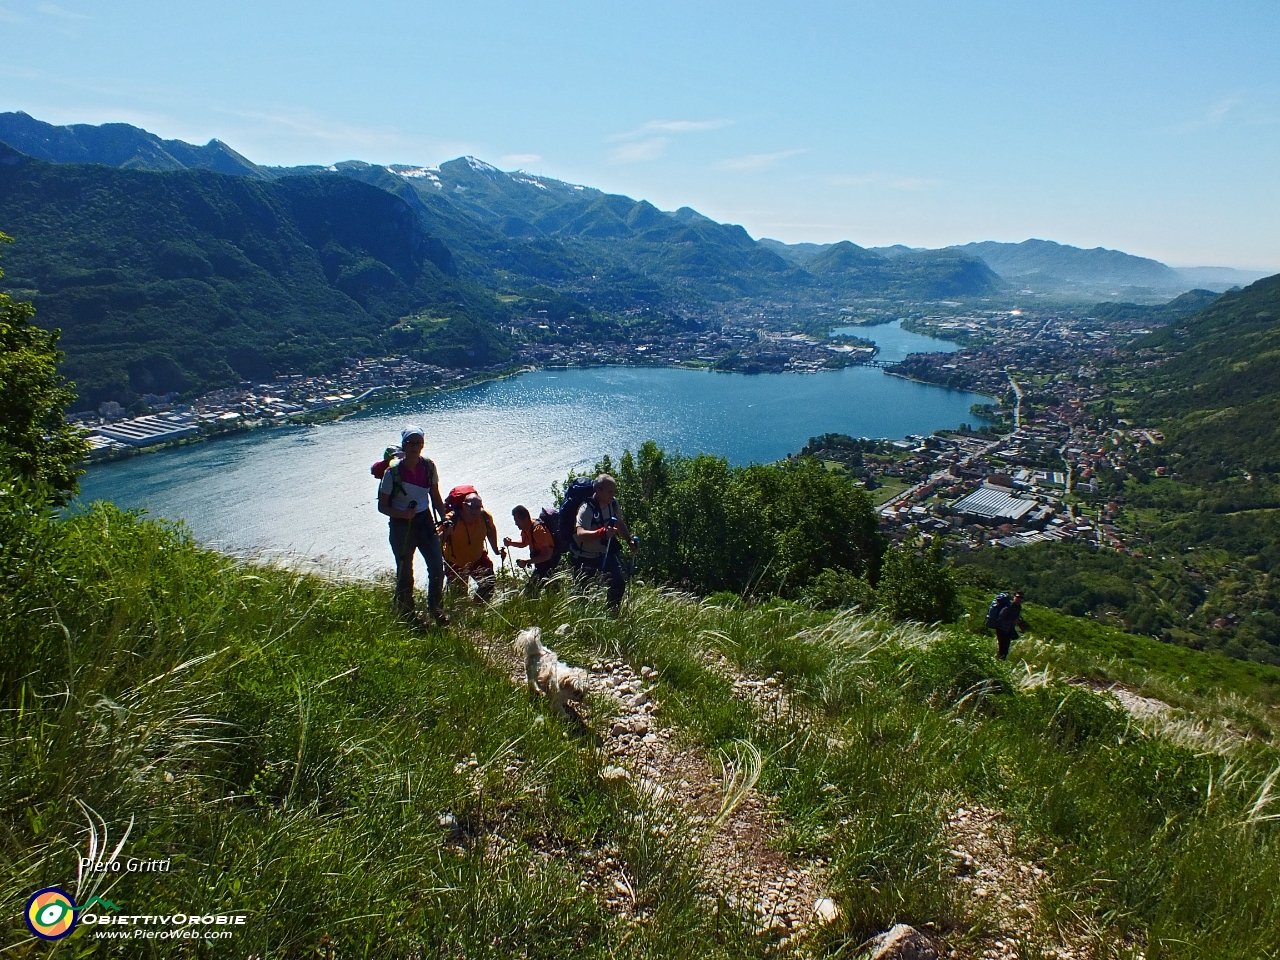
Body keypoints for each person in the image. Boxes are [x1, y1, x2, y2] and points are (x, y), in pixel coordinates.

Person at [378, 426, 447, 626]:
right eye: (411, 442)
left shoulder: (428, 467)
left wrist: (444, 519)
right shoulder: (392, 473)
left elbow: (435, 496)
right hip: (402, 525)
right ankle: (406, 613)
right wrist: (402, 514)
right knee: (405, 571)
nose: (415, 447)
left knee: (437, 568)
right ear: (404, 445)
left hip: (425, 521)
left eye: (418, 442)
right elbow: (382, 506)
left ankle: (436, 609)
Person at [571, 474, 631, 613]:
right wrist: (602, 533)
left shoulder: (613, 504)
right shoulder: (586, 508)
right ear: (598, 490)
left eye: (614, 491)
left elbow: (619, 522)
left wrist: (629, 540)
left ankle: (612, 615)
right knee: (582, 592)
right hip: (584, 556)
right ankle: (582, 620)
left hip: (605, 552)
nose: (613, 494)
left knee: (618, 583)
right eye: (610, 491)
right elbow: (580, 535)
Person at [441, 491, 504, 601]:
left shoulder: (485, 517)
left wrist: (496, 550)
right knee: (459, 597)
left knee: (489, 583)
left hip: (477, 559)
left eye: (478, 507)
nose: (475, 510)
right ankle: (465, 614)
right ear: (464, 506)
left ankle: (477, 609)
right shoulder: (451, 520)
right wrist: (446, 533)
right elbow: (437, 540)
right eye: (472, 507)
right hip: (456, 563)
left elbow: (491, 531)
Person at [505, 505, 557, 585]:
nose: (515, 523)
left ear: (525, 519)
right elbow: (524, 543)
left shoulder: (537, 531)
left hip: (549, 564)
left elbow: (547, 555)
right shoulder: (527, 529)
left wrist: (527, 562)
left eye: (517, 520)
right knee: (538, 590)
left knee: (532, 591)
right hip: (541, 565)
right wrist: (510, 543)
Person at [993, 590, 1026, 660]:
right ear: (1014, 597)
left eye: (1021, 598)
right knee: (1003, 648)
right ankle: (997, 661)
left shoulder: (1018, 607)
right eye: (1018, 597)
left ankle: (999, 661)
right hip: (1001, 629)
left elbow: (1016, 617)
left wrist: (1020, 626)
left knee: (1006, 648)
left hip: (1008, 629)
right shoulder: (1008, 607)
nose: (1019, 599)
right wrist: (1013, 621)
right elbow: (1000, 618)